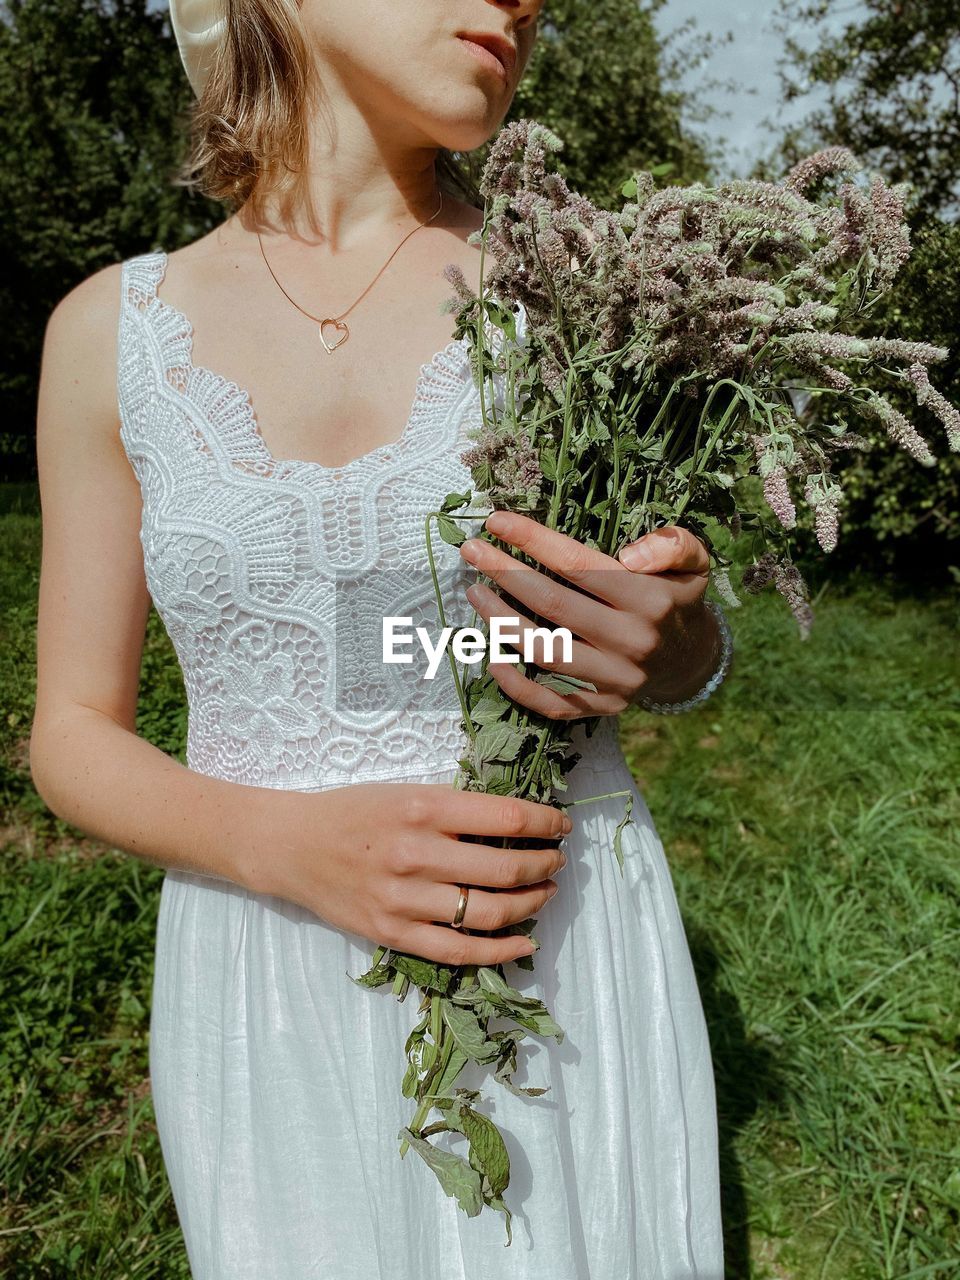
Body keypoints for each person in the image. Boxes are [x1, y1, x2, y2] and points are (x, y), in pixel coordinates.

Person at [29, 1, 728, 1275]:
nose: (523, 1)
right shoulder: (107, 337)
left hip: (548, 948)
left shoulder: (583, 292)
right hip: (266, 966)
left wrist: (668, 639)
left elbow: (648, 640)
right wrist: (283, 842)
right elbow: (72, 732)